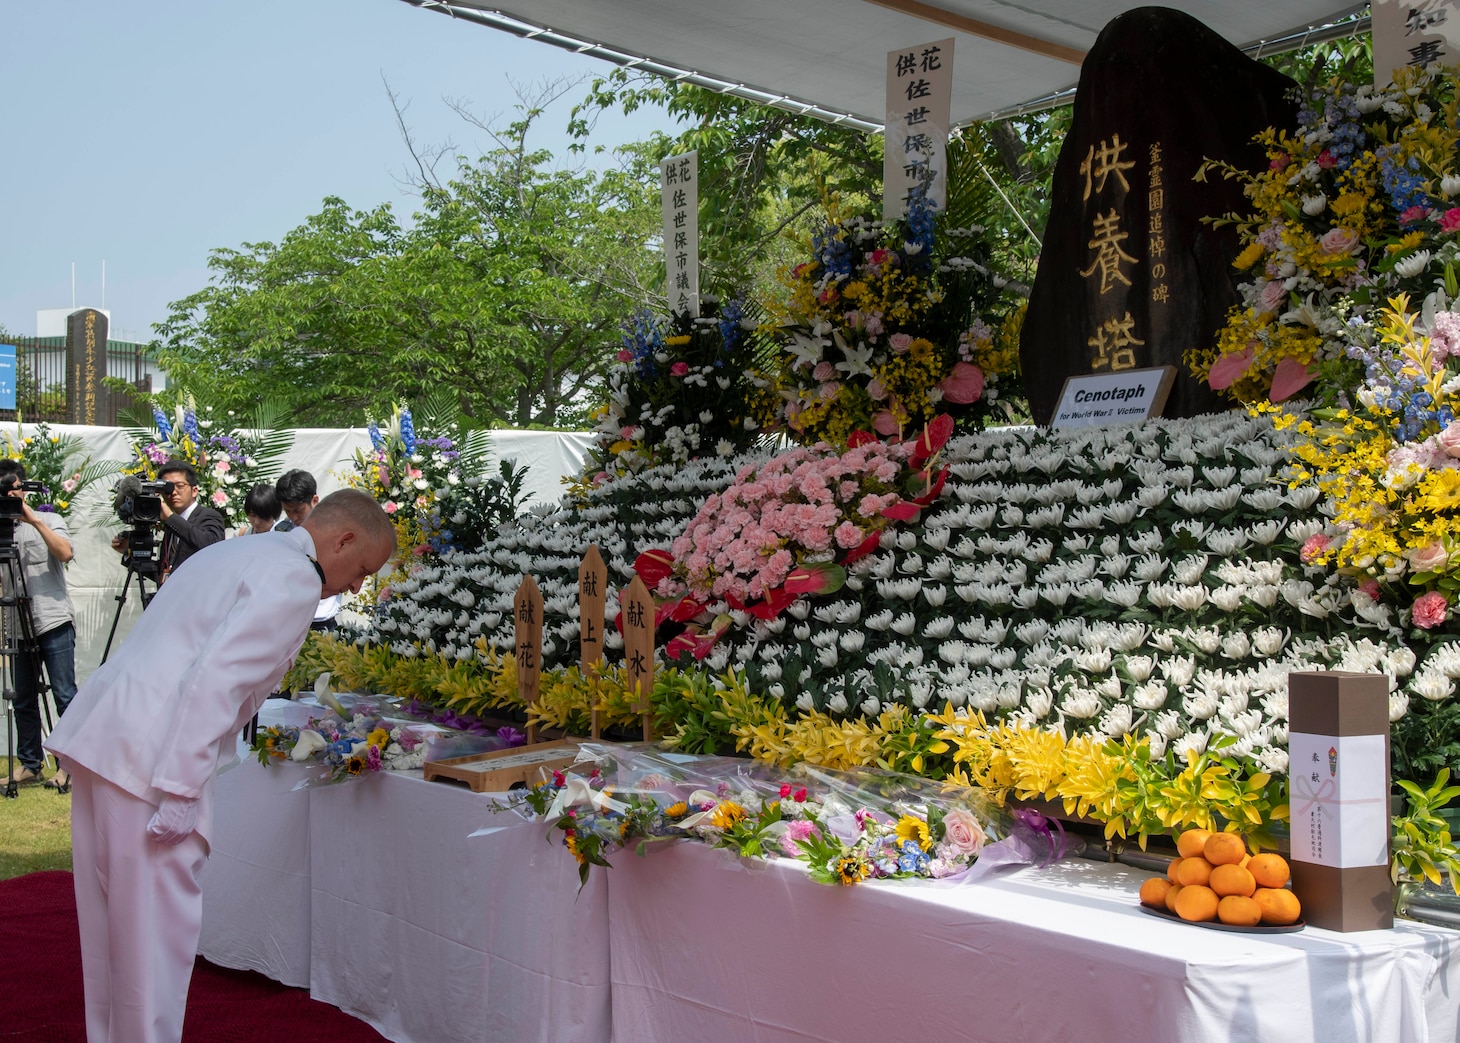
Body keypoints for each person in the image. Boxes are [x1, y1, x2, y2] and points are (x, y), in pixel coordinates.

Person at [46, 488, 395, 1043]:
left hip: (107, 738)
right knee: (152, 943)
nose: (357, 586)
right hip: (152, 761)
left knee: (112, 936)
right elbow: (217, 680)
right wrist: (182, 788)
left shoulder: (239, 550)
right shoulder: (297, 577)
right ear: (345, 539)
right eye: (362, 570)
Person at [0, 459, 78, 791]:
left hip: (53, 621)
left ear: (24, 487)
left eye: (13, 488)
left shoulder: (49, 519)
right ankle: (30, 764)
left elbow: (64, 553)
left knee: (64, 695)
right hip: (17, 626)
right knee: (22, 699)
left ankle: (70, 766)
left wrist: (31, 519)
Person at [110, 459, 226, 583]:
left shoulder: (209, 516)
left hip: (198, 596)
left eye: (180, 486)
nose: (174, 492)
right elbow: (163, 572)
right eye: (168, 488)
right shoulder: (171, 524)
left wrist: (170, 518)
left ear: (194, 491)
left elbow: (211, 545)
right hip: (173, 597)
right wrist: (129, 553)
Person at [274, 469, 342, 631]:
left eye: (298, 511)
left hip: (321, 621)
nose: (293, 517)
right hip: (289, 619)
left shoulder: (334, 532)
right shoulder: (280, 531)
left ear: (315, 500)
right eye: (287, 511)